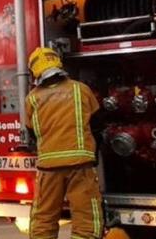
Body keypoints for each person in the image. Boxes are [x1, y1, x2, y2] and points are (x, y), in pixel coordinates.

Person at [25, 47, 103, 239]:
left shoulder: (32, 98)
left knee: (43, 219)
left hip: (48, 169)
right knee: (86, 220)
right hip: (80, 165)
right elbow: (97, 126)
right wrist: (94, 156)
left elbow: (32, 133)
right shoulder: (81, 89)